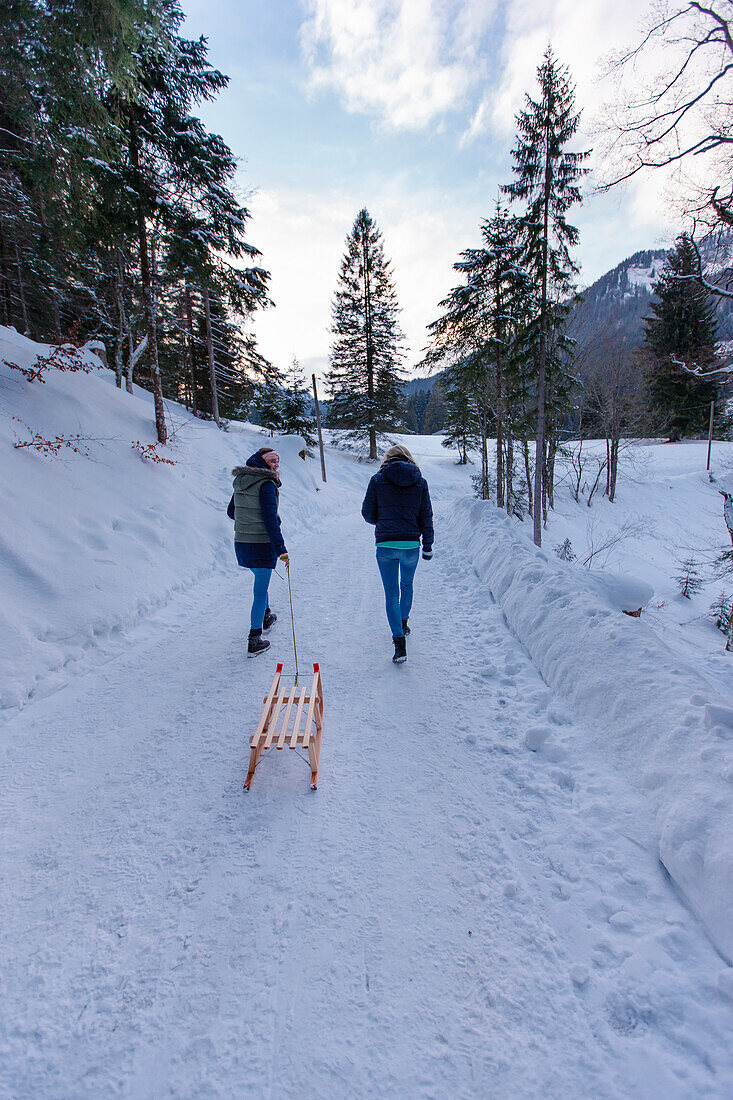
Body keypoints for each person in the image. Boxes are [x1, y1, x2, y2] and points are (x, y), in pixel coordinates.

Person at [361, 443, 434, 664]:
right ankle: (403, 622)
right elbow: (426, 517)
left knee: (391, 592)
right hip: (411, 545)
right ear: (409, 458)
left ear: (388, 459)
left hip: (386, 544)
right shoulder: (420, 482)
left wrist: (382, 522)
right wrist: (428, 545)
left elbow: (367, 513)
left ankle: (399, 643)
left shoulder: (377, 480)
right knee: (407, 586)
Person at [227, 448, 289, 657]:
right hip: (261, 543)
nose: (276, 464)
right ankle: (255, 639)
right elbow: (270, 519)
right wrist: (281, 549)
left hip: (241, 541)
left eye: (278, 461)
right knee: (260, 591)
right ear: (261, 462)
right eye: (272, 460)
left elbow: (231, 512)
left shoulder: (242, 480)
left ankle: (266, 615)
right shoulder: (266, 484)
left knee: (261, 581)